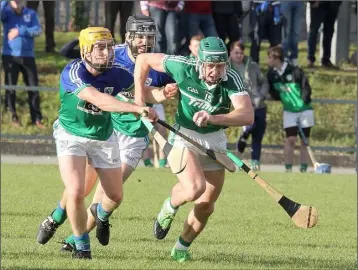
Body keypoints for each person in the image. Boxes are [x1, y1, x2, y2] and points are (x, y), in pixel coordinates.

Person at [36, 15, 177, 252]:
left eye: (109, 47)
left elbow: (144, 93)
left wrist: (164, 94)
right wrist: (136, 107)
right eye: (100, 48)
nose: (106, 52)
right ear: (86, 51)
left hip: (108, 136)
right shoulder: (75, 71)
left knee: (113, 195)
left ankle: (97, 218)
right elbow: (100, 99)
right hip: (77, 133)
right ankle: (74, 237)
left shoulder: (125, 70)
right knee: (78, 189)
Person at [134, 37, 254, 262]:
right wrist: (141, 103)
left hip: (215, 140)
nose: (215, 71)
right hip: (183, 136)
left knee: (206, 205)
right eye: (210, 65)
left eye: (220, 66)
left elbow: (247, 114)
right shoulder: (182, 66)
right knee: (194, 189)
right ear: (200, 63)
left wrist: (214, 118)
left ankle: (181, 247)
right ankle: (169, 206)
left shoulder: (232, 79)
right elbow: (143, 59)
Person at [266, 46, 314, 173]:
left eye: (269, 58)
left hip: (304, 110)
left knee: (304, 141)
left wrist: (303, 102)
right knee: (291, 139)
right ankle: (288, 169)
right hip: (289, 111)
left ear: (276, 58)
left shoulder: (295, 71)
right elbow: (272, 90)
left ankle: (303, 168)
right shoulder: (272, 74)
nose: (267, 61)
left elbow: (306, 87)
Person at [1, 0, 44, 128]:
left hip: (28, 56)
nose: (17, 2)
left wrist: (20, 31)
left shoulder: (30, 13)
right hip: (10, 56)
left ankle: (36, 118)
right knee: (11, 88)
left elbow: (37, 30)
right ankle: (13, 117)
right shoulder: (6, 13)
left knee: (33, 87)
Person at [231, 41, 269, 171]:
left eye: (241, 53)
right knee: (249, 126)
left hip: (259, 104)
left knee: (258, 134)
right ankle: (243, 137)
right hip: (243, 105)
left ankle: (255, 162)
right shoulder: (227, 68)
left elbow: (264, 82)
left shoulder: (252, 66)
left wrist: (261, 96)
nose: (239, 55)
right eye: (236, 52)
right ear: (230, 52)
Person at [307, 1, 342, 69]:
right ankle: (310, 59)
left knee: (329, 32)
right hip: (318, 4)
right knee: (313, 32)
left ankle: (326, 60)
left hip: (332, 5)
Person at [280, 1, 304, 66]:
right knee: (286, 31)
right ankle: (285, 58)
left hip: (300, 3)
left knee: (296, 31)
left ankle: (294, 57)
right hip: (286, 2)